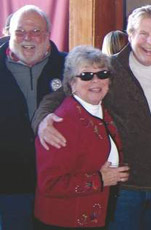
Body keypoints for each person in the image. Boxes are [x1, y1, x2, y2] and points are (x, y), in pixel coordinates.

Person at [32, 5, 151, 230]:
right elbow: (61, 94)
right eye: (143, 33)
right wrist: (43, 120)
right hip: (123, 187)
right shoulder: (109, 69)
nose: (150, 41)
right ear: (130, 34)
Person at [34, 45, 129, 229]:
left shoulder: (101, 110)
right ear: (71, 83)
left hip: (97, 215)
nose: (96, 81)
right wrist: (99, 180)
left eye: (102, 74)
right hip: (64, 221)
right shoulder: (60, 122)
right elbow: (49, 183)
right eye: (86, 75)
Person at [0, 5, 66, 230]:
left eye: (36, 31)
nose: (28, 38)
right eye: (20, 31)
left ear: (48, 35)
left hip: (59, 184)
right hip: (7, 186)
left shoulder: (70, 68)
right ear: (9, 33)